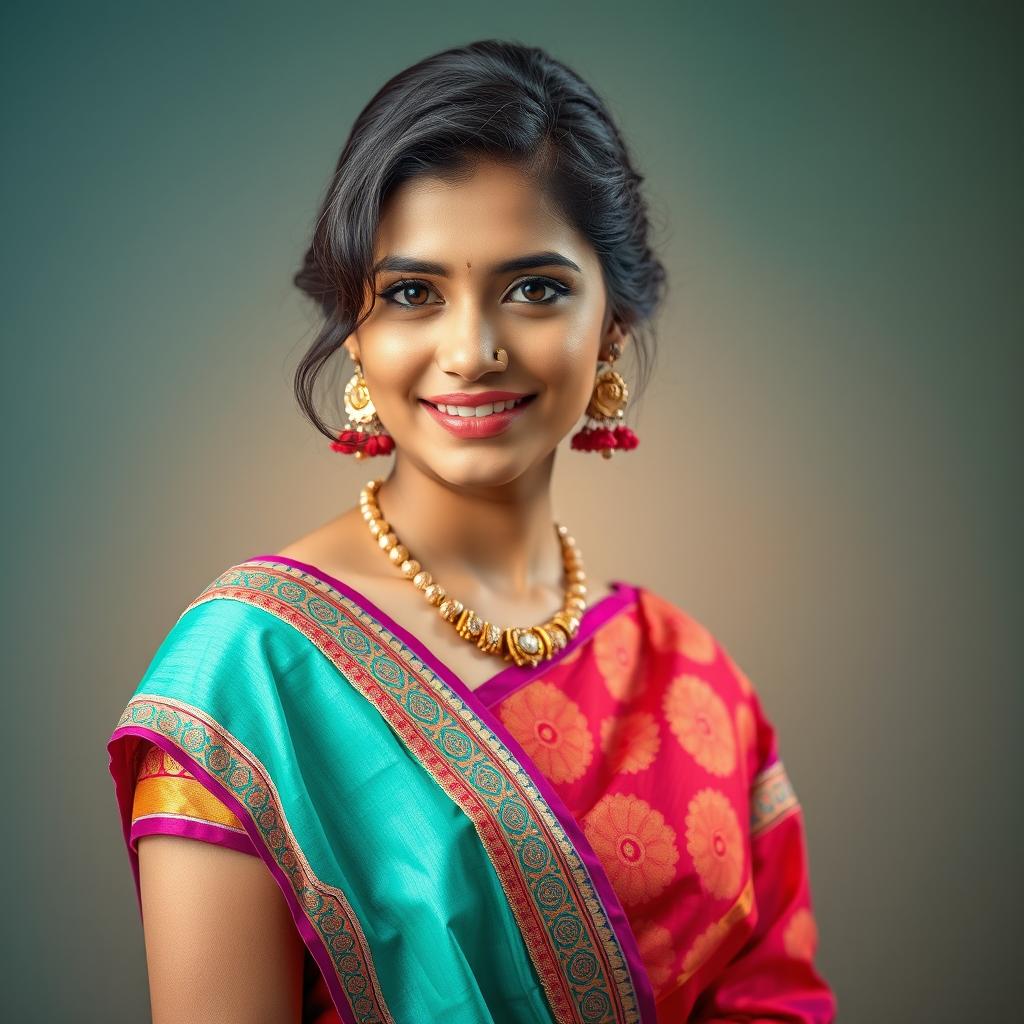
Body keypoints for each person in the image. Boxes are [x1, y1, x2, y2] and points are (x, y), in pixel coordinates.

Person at [107, 39, 837, 1024]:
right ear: (355, 330)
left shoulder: (694, 679)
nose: (472, 350)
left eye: (534, 288)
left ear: (610, 321)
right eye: (412, 293)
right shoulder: (245, 681)